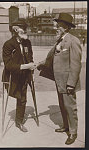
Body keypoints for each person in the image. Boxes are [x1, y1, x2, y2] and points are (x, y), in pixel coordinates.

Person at [37, 13, 82, 145]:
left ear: (67, 27)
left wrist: (71, 84)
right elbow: (51, 58)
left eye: (60, 25)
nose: (57, 27)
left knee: (70, 107)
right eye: (57, 24)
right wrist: (39, 64)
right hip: (59, 81)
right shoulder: (60, 40)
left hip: (68, 82)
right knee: (63, 105)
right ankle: (66, 126)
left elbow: (76, 64)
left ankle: (73, 132)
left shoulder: (73, 41)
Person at [2, 19, 36, 132]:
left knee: (22, 98)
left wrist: (31, 71)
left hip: (25, 76)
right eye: (23, 28)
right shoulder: (8, 45)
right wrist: (26, 66)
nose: (26, 30)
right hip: (13, 76)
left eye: (26, 28)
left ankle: (19, 121)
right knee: (18, 96)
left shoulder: (27, 42)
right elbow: (9, 65)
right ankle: (18, 119)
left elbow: (30, 57)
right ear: (16, 30)